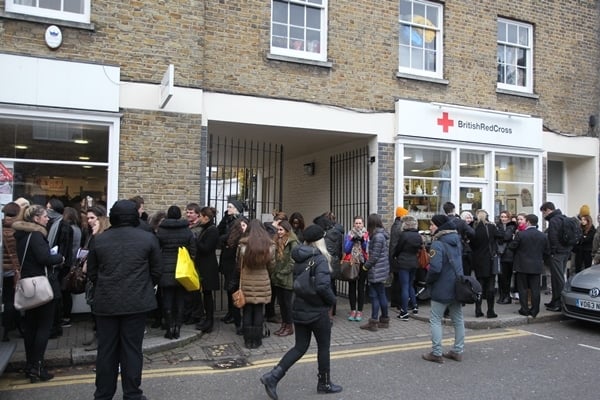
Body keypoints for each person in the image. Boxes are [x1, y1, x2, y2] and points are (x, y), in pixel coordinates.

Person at [87, 199, 162, 400]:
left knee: (106, 351)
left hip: (106, 303)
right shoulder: (147, 239)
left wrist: (105, 286)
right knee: (132, 350)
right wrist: (143, 286)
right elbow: (157, 271)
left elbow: (92, 273)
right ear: (135, 216)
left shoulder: (99, 240)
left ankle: (103, 394)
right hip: (137, 302)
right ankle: (132, 394)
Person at [260, 224, 342, 399]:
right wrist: (332, 301)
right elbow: (322, 286)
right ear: (320, 241)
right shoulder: (319, 259)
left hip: (299, 307)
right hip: (318, 311)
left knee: (299, 347)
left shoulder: (298, 256)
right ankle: (324, 383)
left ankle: (273, 377)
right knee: (323, 347)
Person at [12, 204, 64, 382]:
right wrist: (60, 257)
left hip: (28, 287)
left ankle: (29, 365)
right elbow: (45, 259)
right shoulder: (36, 236)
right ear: (35, 219)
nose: (47, 218)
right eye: (44, 216)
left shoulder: (22, 236)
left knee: (31, 328)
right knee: (43, 327)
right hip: (41, 287)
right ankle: (38, 366)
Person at [422, 214, 465, 364]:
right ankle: (458, 351)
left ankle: (436, 352)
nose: (430, 227)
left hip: (441, 287)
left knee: (435, 319)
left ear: (439, 226)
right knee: (458, 319)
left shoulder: (437, 244)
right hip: (458, 286)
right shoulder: (456, 241)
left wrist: (428, 282)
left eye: (432, 225)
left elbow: (435, 268)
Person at [156, 205, 196, 340]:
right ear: (179, 215)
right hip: (182, 269)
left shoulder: (161, 230)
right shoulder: (187, 230)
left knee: (166, 299)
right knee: (180, 300)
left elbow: (156, 250)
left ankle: (169, 328)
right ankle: (177, 328)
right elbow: (193, 250)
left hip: (165, 269)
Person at [236, 219, 275, 349]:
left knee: (247, 309)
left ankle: (248, 340)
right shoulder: (269, 245)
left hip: (246, 278)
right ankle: (257, 340)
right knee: (259, 309)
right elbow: (272, 265)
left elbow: (238, 264)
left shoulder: (242, 245)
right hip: (262, 278)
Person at [509, 214, 550, 317]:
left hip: (522, 265)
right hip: (536, 265)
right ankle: (535, 310)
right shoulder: (543, 235)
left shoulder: (521, 235)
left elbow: (512, 247)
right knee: (535, 289)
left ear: (527, 222)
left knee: (523, 289)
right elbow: (547, 251)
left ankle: (524, 309)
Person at [81, 205, 110, 352]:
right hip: (92, 279)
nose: (90, 221)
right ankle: (96, 337)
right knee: (93, 310)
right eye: (88, 218)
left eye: (93, 218)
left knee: (97, 311)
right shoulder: (91, 235)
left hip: (98, 279)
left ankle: (99, 340)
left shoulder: (101, 237)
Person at [359, 213, 390, 331]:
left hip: (376, 270)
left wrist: (365, 267)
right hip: (382, 269)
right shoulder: (381, 235)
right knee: (381, 294)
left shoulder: (377, 237)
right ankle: (384, 320)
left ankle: (373, 322)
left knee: (374, 296)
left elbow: (374, 256)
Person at [540, 201, 572, 312]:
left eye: (544, 213)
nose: (544, 216)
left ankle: (560, 303)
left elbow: (553, 238)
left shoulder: (554, 220)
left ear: (548, 210)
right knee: (557, 277)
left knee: (558, 279)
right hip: (565, 252)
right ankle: (555, 301)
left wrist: (552, 252)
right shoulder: (564, 218)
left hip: (557, 253)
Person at [194, 206, 220, 333]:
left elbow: (206, 248)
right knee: (206, 294)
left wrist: (195, 240)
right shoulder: (206, 229)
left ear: (206, 217)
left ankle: (209, 320)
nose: (198, 219)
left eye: (200, 216)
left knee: (208, 294)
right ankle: (206, 319)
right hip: (204, 266)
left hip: (208, 267)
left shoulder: (212, 230)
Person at [220, 217, 248, 335]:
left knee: (241, 298)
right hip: (233, 272)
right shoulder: (232, 240)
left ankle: (239, 321)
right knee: (236, 297)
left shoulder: (248, 239)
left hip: (242, 273)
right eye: (241, 225)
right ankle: (238, 323)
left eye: (245, 225)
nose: (243, 227)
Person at [271, 220, 299, 337]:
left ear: (287, 230)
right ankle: (284, 325)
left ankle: (289, 326)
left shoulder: (293, 243)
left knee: (287, 305)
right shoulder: (277, 240)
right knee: (281, 304)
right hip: (278, 277)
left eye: (281, 230)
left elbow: (293, 262)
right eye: (278, 230)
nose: (279, 232)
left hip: (287, 278)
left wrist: (282, 272)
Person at [469, 210, 499, 318]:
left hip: (478, 260)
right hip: (490, 259)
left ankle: (478, 310)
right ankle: (490, 311)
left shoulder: (474, 229)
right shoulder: (491, 227)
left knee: (479, 285)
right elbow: (500, 236)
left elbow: (471, 244)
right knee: (491, 285)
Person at [392, 215, 422, 320]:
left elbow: (398, 248)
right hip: (414, 262)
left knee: (404, 286)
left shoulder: (403, 235)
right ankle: (415, 306)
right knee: (410, 285)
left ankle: (404, 312)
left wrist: (394, 256)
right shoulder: (418, 236)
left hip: (404, 262)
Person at [1, 202, 23, 342]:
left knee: (7, 300)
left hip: (3, 269)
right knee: (11, 301)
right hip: (11, 270)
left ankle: (7, 330)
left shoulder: (2, 228)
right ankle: (9, 328)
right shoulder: (15, 231)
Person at [59, 206, 82, 328]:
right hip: (73, 262)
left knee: (65, 291)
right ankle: (67, 316)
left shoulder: (69, 229)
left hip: (68, 263)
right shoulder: (78, 228)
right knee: (66, 291)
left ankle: (66, 316)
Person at [183, 202, 205, 325]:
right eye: (187, 212)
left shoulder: (200, 228)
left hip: (196, 262)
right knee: (187, 289)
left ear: (197, 214)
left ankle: (197, 314)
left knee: (196, 289)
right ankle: (189, 313)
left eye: (191, 212)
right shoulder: (186, 226)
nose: (188, 214)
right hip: (187, 262)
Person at [344, 215, 369, 322]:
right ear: (353, 224)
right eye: (356, 223)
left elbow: (367, 249)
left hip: (363, 263)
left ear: (363, 224)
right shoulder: (349, 234)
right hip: (352, 263)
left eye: (360, 223)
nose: (358, 225)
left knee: (361, 287)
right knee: (352, 287)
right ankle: (353, 310)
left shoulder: (366, 234)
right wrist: (352, 240)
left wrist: (363, 241)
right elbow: (346, 249)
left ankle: (359, 311)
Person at [388, 206, 409, 310]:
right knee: (398, 281)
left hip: (394, 256)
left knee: (396, 280)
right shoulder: (399, 227)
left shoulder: (395, 225)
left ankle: (394, 301)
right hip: (396, 256)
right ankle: (397, 302)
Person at [496, 210, 517, 304]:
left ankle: (507, 297)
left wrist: (500, 235)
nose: (503, 219)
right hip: (500, 254)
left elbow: (507, 237)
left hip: (508, 255)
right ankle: (502, 296)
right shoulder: (499, 226)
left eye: (505, 217)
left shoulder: (511, 226)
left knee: (506, 278)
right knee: (501, 278)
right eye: (502, 217)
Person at [459, 210, 474, 276]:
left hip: (470, 252)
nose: (469, 220)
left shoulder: (473, 226)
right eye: (467, 218)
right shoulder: (461, 227)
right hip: (463, 252)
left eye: (470, 218)